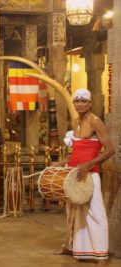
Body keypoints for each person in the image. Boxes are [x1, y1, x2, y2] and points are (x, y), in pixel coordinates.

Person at [52, 88, 115, 266]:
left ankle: (102, 256)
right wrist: (62, 162)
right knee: (72, 212)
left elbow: (110, 149)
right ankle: (73, 248)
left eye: (84, 101)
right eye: (77, 101)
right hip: (74, 174)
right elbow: (78, 151)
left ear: (90, 103)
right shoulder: (75, 122)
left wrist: (89, 165)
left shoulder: (95, 121)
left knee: (96, 213)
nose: (80, 104)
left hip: (90, 174)